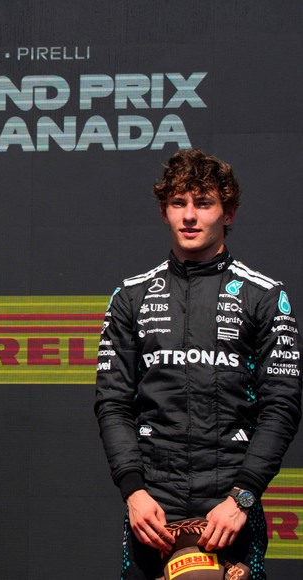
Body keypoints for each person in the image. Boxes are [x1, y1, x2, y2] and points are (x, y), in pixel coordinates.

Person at [94, 149, 301, 579]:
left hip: (230, 515)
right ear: (164, 211)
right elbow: (113, 404)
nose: (189, 216)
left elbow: (281, 407)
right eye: (178, 203)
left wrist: (243, 497)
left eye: (203, 203)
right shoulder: (130, 297)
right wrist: (133, 492)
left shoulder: (263, 296)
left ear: (229, 214)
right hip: (152, 514)